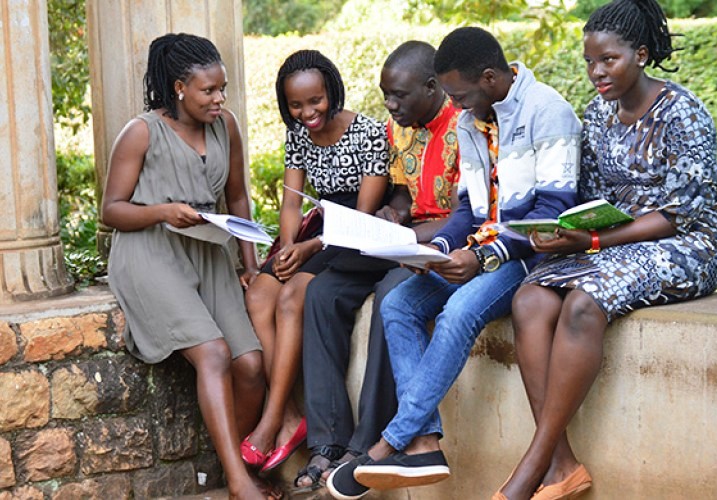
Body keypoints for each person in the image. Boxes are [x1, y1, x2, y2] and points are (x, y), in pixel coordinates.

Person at [327, 27, 582, 497]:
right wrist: (438, 250)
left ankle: (391, 441)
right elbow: (468, 208)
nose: (456, 107)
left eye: (460, 95)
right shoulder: (470, 122)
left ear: (489, 78)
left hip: (528, 258)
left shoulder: (549, 112)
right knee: (399, 305)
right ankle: (424, 440)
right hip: (480, 251)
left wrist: (483, 256)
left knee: (458, 313)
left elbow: (553, 212)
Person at [495, 1, 717, 498]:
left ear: (640, 54)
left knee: (583, 304)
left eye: (608, 60)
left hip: (688, 244)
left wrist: (596, 241)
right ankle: (562, 466)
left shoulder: (683, 114)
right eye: (589, 62)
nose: (596, 72)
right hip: (615, 241)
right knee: (530, 298)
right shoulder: (599, 113)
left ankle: (531, 466)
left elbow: (678, 215)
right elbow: (595, 198)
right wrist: (565, 232)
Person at [102, 34, 278, 499]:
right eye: (209, 91)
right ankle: (240, 483)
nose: (220, 98)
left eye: (222, 89)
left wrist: (249, 265)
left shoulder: (228, 125)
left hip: (211, 251)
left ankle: (230, 469)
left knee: (251, 364)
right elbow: (112, 209)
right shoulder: (140, 132)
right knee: (215, 354)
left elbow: (237, 196)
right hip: (150, 251)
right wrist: (162, 210)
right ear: (180, 87)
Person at [303, 40, 460, 497]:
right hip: (399, 239)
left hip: (439, 247)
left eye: (399, 96)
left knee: (394, 299)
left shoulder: (464, 127)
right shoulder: (400, 129)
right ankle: (327, 440)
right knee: (321, 293)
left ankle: (368, 441)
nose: (389, 106)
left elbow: (472, 210)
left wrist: (411, 234)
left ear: (432, 88)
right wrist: (394, 211)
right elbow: (401, 190)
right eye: (385, 95)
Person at [240, 50, 389, 479]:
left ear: (332, 91)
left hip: (352, 236)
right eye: (296, 105)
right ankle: (288, 412)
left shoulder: (368, 133)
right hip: (315, 233)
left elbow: (361, 219)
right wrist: (288, 247)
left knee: (290, 300)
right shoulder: (298, 137)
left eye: (316, 100)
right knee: (260, 295)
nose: (308, 112)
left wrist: (308, 250)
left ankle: (271, 422)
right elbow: (291, 200)